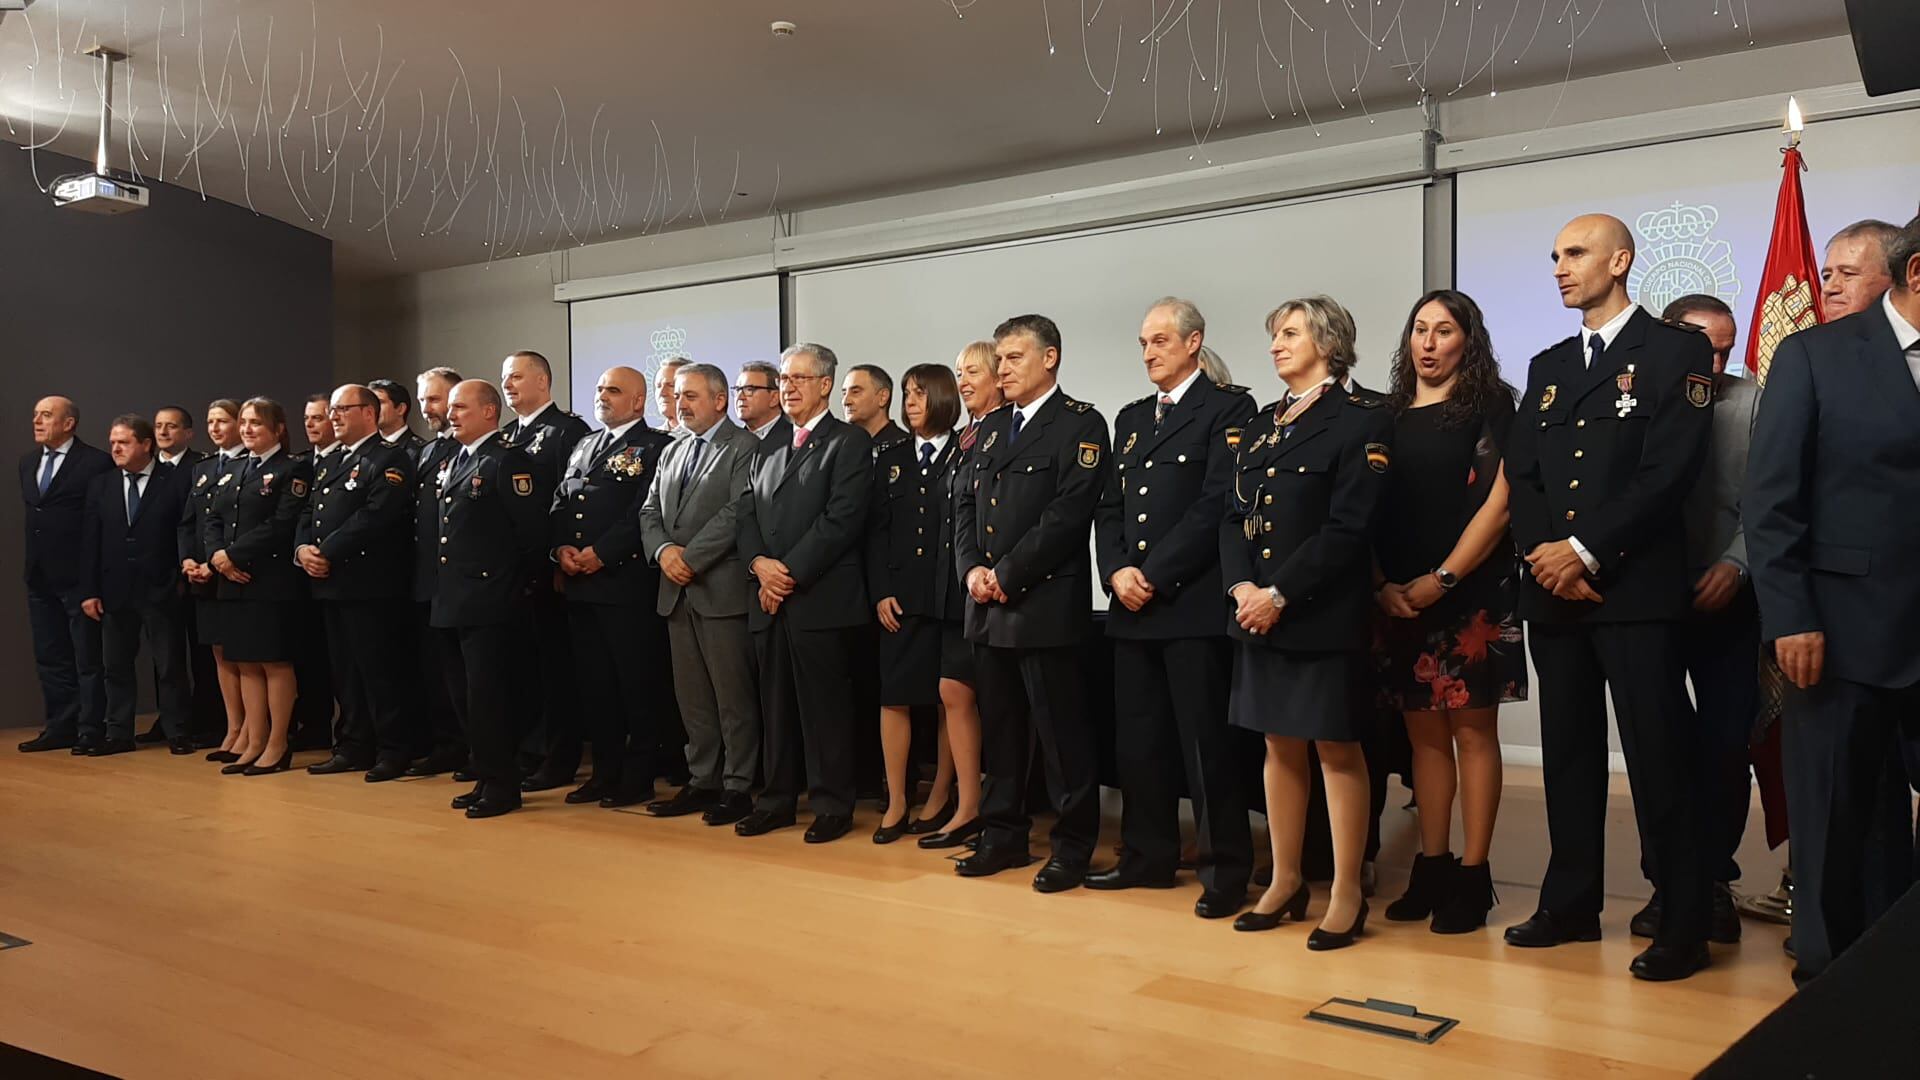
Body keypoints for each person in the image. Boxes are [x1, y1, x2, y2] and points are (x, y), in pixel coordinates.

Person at [1502, 213, 1716, 982]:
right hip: (1557, 593)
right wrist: (1543, 555)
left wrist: (1586, 549)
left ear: (1621, 260)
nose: (1560, 267)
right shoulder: (1549, 363)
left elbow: (1671, 470)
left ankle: (1682, 918)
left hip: (1633, 587)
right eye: (1554, 254)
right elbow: (1522, 473)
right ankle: (1570, 904)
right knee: (1568, 756)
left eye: (1577, 253)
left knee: (1660, 759)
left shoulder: (1675, 351)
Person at [1747, 215, 1920, 984]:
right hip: (1841, 632)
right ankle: (1828, 978)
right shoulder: (1813, 356)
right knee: (1835, 817)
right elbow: (1772, 499)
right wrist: (1792, 615)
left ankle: (1895, 966)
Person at [1219, 296, 1392, 951]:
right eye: (1274, 335)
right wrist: (1240, 587)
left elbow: (1348, 528)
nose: (1274, 345)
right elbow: (1232, 517)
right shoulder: (1262, 425)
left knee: (1335, 749)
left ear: (1327, 341)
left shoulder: (1359, 422)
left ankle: (1346, 889)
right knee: (1278, 746)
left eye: (1289, 334)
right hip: (1256, 614)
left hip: (1317, 614)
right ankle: (1286, 879)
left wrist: (1279, 593)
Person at [1090, 297, 1257, 918]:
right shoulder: (1131, 418)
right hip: (1131, 607)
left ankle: (1224, 871)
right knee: (1140, 743)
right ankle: (1147, 856)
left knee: (1206, 745)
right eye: (1142, 342)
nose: (1148, 352)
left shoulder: (1228, 408)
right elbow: (1109, 507)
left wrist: (1152, 575)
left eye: (1160, 340)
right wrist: (1115, 573)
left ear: (1194, 342)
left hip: (1187, 605)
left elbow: (1215, 504)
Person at [1371, 290, 1526, 934]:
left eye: (1443, 331)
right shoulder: (1386, 415)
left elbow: (1501, 502)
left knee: (1471, 734)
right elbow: (1366, 506)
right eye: (1419, 330)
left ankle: (1473, 873)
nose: (1428, 343)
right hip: (1399, 598)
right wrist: (1382, 583)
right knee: (1422, 739)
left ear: (1469, 341)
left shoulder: (1491, 405)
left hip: (1470, 594)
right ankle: (1430, 866)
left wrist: (1443, 577)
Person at [1612, 294, 1756, 948]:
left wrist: (1736, 565)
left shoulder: (1756, 403)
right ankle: (1667, 881)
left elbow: (1778, 497)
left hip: (1730, 599)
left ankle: (1715, 882)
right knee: (1657, 748)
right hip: (1649, 600)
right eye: (1705, 345)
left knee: (1725, 748)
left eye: (1727, 348)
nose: (1717, 360)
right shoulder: (1628, 401)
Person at [952, 315, 1109, 892]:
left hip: (1042, 607)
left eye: (1014, 357)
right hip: (986, 606)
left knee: (1061, 736)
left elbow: (1066, 517)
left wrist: (1007, 575)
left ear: (1051, 358)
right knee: (1001, 731)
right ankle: (1002, 836)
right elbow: (963, 507)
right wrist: (971, 569)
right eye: (999, 358)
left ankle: (1072, 847)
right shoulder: (990, 430)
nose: (1002, 368)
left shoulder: (1080, 425)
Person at [732, 343, 874, 843]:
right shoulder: (766, 447)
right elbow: (745, 514)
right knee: (774, 707)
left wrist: (784, 574)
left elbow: (841, 520)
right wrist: (758, 565)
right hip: (768, 597)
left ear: (824, 385)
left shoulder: (849, 442)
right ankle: (775, 801)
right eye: (784, 380)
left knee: (825, 710)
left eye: (797, 379)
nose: (787, 387)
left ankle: (833, 804)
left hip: (819, 599)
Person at [640, 363, 763, 826]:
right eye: (676, 396)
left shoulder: (744, 447)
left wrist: (690, 558)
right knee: (692, 696)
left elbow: (737, 512)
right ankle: (702, 778)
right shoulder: (673, 450)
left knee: (733, 696)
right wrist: (665, 551)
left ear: (719, 400)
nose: (681, 403)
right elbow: (649, 509)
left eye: (691, 395)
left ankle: (738, 785)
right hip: (674, 588)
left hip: (719, 588)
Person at [550, 366, 673, 808]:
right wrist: (560, 547)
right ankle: (603, 773)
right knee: (595, 687)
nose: (603, 396)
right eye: (600, 388)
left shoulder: (657, 446)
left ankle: (637, 777)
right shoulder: (585, 445)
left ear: (638, 401)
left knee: (634, 686)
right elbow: (562, 501)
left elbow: (644, 509)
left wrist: (603, 553)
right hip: (582, 587)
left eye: (614, 390)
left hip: (625, 585)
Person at [431, 379, 551, 819]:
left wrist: (511, 585)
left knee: (490, 697)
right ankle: (485, 772)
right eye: (452, 407)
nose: (452, 414)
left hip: (491, 598)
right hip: (455, 597)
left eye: (461, 407)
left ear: (488, 412)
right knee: (464, 696)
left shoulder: (506, 460)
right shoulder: (459, 458)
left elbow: (531, 534)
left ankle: (503, 785)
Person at [295, 385, 418, 781]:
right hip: (331, 583)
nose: (333, 417)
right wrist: (302, 550)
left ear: (369, 412)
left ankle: (394, 749)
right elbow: (308, 512)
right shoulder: (334, 461)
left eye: (342, 409)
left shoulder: (389, 459)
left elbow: (375, 516)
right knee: (344, 672)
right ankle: (353, 745)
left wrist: (326, 551)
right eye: (331, 410)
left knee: (379, 672)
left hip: (370, 586)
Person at [865, 364, 964, 843]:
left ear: (943, 397)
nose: (910, 401)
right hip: (899, 598)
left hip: (949, 597)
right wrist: (881, 589)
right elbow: (876, 532)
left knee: (950, 699)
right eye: (906, 393)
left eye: (920, 393)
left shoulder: (966, 453)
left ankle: (942, 791)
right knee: (895, 695)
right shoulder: (892, 457)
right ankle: (898, 799)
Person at [915, 341, 1002, 851]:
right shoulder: (968, 438)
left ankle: (990, 806)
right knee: (952, 692)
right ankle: (967, 804)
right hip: (961, 586)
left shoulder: (1004, 431)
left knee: (990, 700)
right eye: (959, 372)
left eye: (973, 371)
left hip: (999, 588)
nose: (963, 380)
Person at [203, 397, 313, 776]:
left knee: (273, 661)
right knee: (245, 661)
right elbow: (213, 518)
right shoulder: (235, 469)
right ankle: (254, 740)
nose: (248, 429)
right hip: (232, 579)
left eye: (257, 424)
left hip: (268, 579)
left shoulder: (291, 469)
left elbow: (281, 525)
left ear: (278, 429)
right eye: (245, 423)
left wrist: (232, 555)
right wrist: (217, 555)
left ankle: (278, 743)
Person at [498, 350, 591, 790]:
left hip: (552, 568)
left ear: (542, 381)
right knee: (522, 671)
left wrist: (558, 553)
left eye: (516, 377)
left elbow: (571, 500)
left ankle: (559, 757)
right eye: (504, 379)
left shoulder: (567, 431)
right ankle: (527, 751)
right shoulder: (506, 436)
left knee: (558, 672)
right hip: (514, 574)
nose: (508, 385)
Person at [78, 415, 192, 755]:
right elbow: (90, 543)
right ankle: (119, 733)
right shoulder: (101, 485)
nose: (115, 448)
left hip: (161, 588)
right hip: (114, 591)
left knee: (169, 666)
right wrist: (89, 590)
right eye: (112, 442)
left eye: (123, 442)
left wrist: (178, 580)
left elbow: (183, 532)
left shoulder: (173, 480)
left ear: (146, 444)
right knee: (116, 666)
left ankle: (177, 731)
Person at [17, 396, 114, 753]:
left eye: (46, 415)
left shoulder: (95, 463)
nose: (37, 421)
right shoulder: (28, 463)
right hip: (40, 575)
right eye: (36, 415)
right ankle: (60, 726)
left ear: (69, 423)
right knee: (51, 655)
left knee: (87, 657)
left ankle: (91, 727)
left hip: (79, 577)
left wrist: (94, 582)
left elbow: (99, 525)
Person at [404, 367, 470, 777]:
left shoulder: (471, 451)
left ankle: (471, 747)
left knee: (465, 675)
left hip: (463, 583)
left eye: (435, 399)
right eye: (424, 399)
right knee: (436, 671)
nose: (428, 408)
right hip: (429, 578)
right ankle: (447, 744)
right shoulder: (429, 451)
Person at [140, 405, 218, 747]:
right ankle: (171, 717)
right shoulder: (148, 470)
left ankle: (207, 717)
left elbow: (196, 522)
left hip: (196, 573)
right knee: (166, 656)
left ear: (188, 433)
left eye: (172, 427)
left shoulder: (199, 466)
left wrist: (191, 564)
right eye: (158, 426)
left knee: (202, 654)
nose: (163, 432)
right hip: (160, 577)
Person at [179, 401, 249, 763]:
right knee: (219, 655)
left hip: (230, 572)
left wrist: (213, 561)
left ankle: (252, 729)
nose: (216, 428)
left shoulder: (248, 464)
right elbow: (189, 522)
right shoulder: (203, 468)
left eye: (223, 421)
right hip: (203, 576)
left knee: (244, 655)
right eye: (210, 422)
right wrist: (188, 560)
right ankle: (233, 726)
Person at [370, 377, 430, 459]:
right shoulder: (368, 447)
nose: (373, 409)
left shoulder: (420, 450)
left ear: (400, 409)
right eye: (370, 404)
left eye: (380, 402)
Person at [733, 362, 784, 442]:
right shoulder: (732, 443)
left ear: (774, 398)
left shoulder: (794, 439)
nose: (740, 397)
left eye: (749, 389)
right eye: (737, 390)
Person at [657, 357, 690, 437]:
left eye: (671, 385)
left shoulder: (701, 438)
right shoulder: (650, 437)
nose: (662, 393)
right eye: (658, 386)